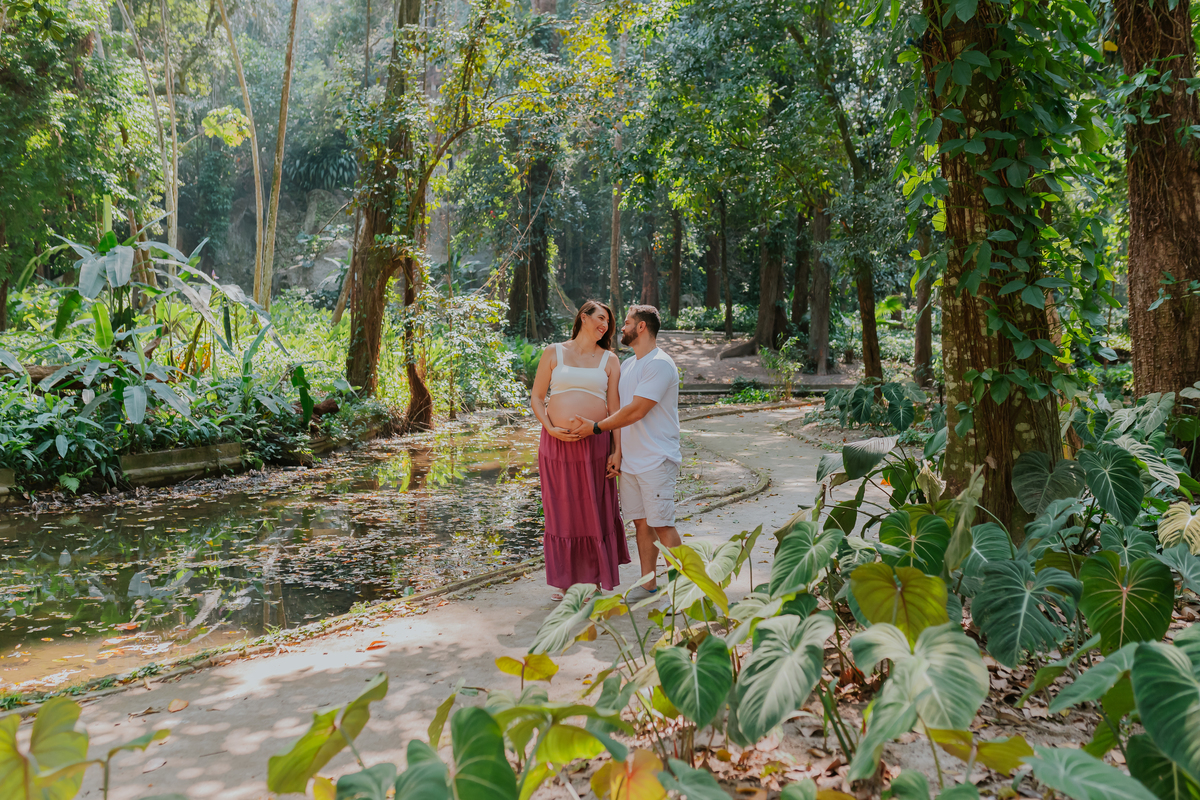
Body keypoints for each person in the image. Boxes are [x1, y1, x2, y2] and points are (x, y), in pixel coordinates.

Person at [568, 305, 681, 594]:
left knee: (663, 524)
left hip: (657, 459)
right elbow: (615, 408)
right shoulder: (630, 364)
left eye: (628, 322)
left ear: (641, 327)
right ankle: (648, 584)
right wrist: (617, 451)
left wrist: (595, 427)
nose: (622, 328)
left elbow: (636, 411)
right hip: (631, 461)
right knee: (642, 523)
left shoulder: (660, 363)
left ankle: (681, 592)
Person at [530, 300, 630, 601]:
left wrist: (617, 451)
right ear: (582, 317)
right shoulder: (554, 352)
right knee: (562, 510)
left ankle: (594, 579)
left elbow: (615, 409)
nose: (605, 325)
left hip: (595, 445)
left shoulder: (610, 359)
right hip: (555, 444)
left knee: (594, 510)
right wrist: (548, 426)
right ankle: (566, 581)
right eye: (600, 318)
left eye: (608, 322)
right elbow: (536, 397)